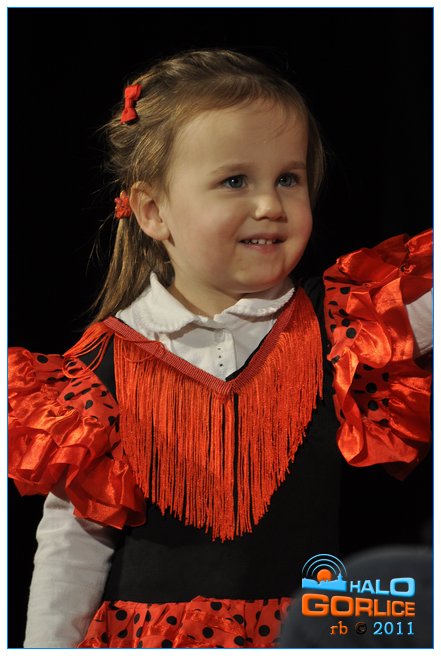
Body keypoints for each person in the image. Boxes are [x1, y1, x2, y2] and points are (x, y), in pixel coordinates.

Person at [8, 48, 433, 648]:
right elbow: (71, 549)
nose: (270, 204)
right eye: (236, 181)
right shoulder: (98, 372)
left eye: (288, 179)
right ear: (153, 210)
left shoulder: (342, 325)